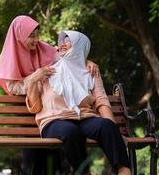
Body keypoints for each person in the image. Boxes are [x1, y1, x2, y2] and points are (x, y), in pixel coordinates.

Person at [0, 15, 99, 174]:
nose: (36, 40)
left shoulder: (44, 49)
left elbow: (69, 58)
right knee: (35, 155)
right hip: (26, 112)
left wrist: (87, 62)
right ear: (19, 35)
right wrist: (34, 78)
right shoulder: (8, 56)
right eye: (31, 35)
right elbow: (13, 88)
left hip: (51, 110)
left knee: (58, 147)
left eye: (37, 35)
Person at [25, 30, 131, 174]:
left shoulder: (90, 71)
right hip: (54, 121)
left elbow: (101, 101)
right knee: (70, 131)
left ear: (79, 45)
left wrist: (115, 131)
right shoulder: (47, 71)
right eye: (61, 41)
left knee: (107, 125)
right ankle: (84, 172)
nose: (61, 44)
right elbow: (35, 108)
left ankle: (124, 171)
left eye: (67, 40)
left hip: (84, 118)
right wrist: (32, 80)